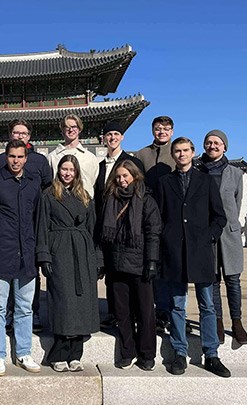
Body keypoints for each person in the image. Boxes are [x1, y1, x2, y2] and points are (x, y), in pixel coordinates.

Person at [156, 136, 230, 378]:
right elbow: (160, 216)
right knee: (177, 305)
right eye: (177, 151)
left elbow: (219, 216)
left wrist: (209, 236)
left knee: (207, 305)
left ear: (193, 152)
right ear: (173, 154)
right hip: (175, 251)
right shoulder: (165, 182)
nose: (181, 154)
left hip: (201, 252)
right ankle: (179, 351)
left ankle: (211, 354)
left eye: (185, 150)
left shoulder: (206, 181)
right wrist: (166, 237)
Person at [0, 139, 42, 377]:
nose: (16, 161)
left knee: (25, 307)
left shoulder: (33, 183)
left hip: (27, 252)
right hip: (1, 252)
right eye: (12, 156)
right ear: (6, 157)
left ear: (26, 158)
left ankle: (24, 352)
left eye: (20, 156)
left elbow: (37, 216)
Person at [35, 155, 99, 372]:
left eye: (71, 170)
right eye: (64, 169)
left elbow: (93, 229)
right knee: (63, 301)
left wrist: (96, 256)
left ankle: (75, 354)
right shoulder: (49, 195)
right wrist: (44, 255)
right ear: (58, 171)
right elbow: (41, 226)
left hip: (83, 252)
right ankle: (59, 353)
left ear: (77, 172)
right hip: (60, 250)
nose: (67, 173)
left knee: (82, 302)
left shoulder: (85, 197)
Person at [98, 160, 162, 370]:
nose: (121, 180)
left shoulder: (146, 200)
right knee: (122, 312)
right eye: (118, 177)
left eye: (125, 176)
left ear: (135, 176)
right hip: (116, 263)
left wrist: (152, 261)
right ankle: (128, 351)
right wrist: (102, 261)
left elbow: (153, 233)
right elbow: (102, 234)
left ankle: (147, 353)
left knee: (144, 312)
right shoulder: (110, 199)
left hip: (139, 263)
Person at [197, 129, 247, 345]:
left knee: (233, 280)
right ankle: (217, 321)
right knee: (213, 280)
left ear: (224, 147)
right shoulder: (198, 171)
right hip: (207, 232)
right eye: (209, 142)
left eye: (217, 143)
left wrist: (229, 226)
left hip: (229, 234)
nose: (212, 146)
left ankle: (236, 322)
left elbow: (236, 205)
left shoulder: (235, 173)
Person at [93, 121, 145, 329]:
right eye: (109, 134)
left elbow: (139, 194)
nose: (112, 137)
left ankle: (131, 313)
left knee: (128, 274)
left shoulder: (131, 163)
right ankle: (114, 312)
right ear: (103, 138)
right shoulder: (101, 166)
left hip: (126, 226)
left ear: (122, 137)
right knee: (111, 272)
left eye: (116, 134)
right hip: (106, 226)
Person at [136, 116, 177, 333]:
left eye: (166, 129)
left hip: (173, 215)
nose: (162, 132)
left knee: (171, 264)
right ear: (152, 130)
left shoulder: (177, 151)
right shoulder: (142, 154)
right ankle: (158, 311)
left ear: (172, 132)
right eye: (158, 128)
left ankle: (173, 311)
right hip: (149, 213)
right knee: (152, 262)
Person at [47, 114, 100, 197]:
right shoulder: (52, 157)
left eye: (74, 126)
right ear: (62, 130)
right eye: (67, 127)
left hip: (84, 202)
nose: (71, 130)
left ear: (79, 129)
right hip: (59, 202)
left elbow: (93, 181)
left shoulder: (90, 157)